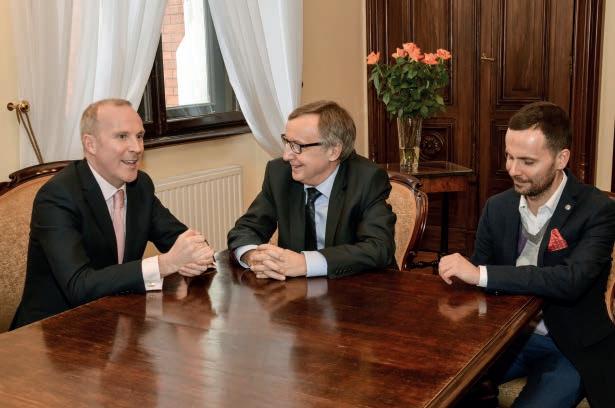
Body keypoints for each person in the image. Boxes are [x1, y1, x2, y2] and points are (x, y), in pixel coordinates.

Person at [438, 101, 615, 407]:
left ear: (561, 159)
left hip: (569, 345)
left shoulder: (597, 209)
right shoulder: (498, 207)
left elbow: (570, 280)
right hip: (504, 338)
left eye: (527, 161)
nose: (513, 170)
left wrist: (480, 274)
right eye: (509, 156)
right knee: (444, 389)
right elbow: (478, 279)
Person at [11, 99, 215, 329]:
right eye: (122, 136)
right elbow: (79, 285)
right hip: (51, 331)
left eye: (139, 136)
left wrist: (196, 256)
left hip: (116, 318)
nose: (137, 148)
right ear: (90, 144)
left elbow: (185, 242)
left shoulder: (140, 186)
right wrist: (164, 263)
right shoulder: (57, 197)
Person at [227, 100, 396, 280]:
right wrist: (253, 256)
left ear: (333, 151)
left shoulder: (367, 179)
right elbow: (246, 229)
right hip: (295, 289)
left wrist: (306, 263)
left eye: (297, 146)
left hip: (359, 286)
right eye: (286, 142)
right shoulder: (280, 174)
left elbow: (378, 247)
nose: (286, 155)